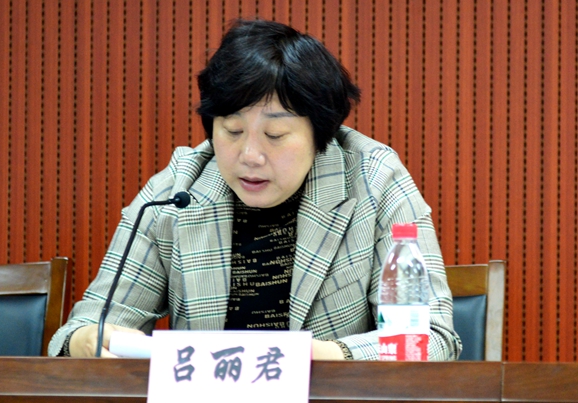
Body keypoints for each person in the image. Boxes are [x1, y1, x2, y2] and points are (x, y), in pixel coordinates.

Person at [49, 19, 462, 360]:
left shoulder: (374, 180)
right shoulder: (178, 190)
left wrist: (324, 357)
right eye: (232, 130)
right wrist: (85, 340)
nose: (249, 155)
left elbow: (431, 340)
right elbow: (78, 333)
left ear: (320, 133)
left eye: (275, 135)